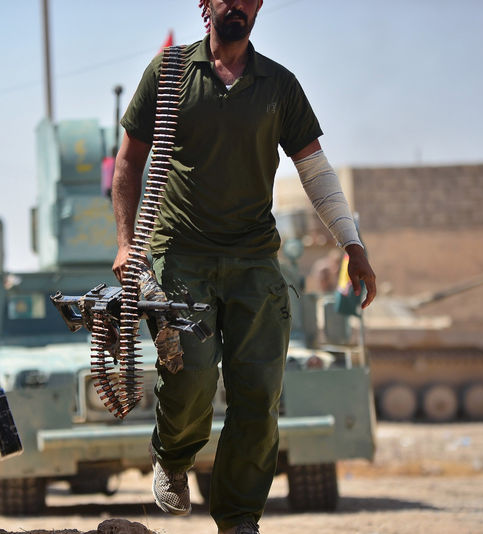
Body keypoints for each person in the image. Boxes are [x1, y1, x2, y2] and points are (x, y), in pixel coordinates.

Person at [111, 2, 377, 533]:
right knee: (190, 380)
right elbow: (128, 163)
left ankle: (238, 519)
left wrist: (352, 244)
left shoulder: (278, 84)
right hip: (181, 253)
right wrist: (125, 244)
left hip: (255, 258)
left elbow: (314, 168)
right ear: (205, 6)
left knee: (259, 394)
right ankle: (173, 456)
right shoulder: (168, 73)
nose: (238, 3)